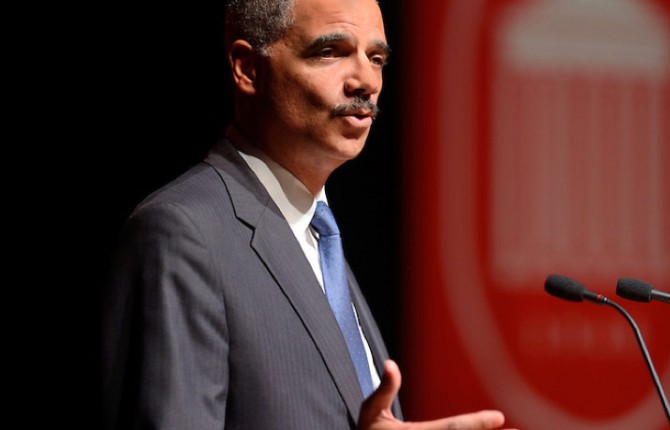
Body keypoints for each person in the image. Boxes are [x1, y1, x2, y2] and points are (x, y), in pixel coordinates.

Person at [100, 0, 516, 429]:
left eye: (376, 58)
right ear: (247, 68)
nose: (365, 81)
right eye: (330, 52)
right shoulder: (183, 234)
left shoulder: (318, 235)